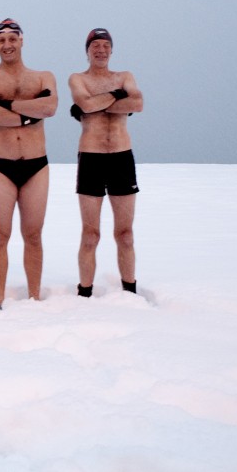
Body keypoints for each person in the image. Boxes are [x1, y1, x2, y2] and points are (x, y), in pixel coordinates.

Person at [0, 19, 58, 309]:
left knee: (33, 234)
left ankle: (34, 297)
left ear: (22, 40)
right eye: (1, 40)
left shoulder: (43, 76)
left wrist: (6, 105)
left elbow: (50, 107)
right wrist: (28, 114)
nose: (7, 45)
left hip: (36, 165)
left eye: (12, 39)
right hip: (0, 165)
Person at [68, 28, 144, 296]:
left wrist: (95, 103)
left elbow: (138, 103)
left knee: (125, 233)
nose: (100, 50)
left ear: (112, 50)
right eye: (95, 46)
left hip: (122, 157)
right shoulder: (78, 78)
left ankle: (130, 290)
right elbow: (84, 105)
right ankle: (84, 292)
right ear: (87, 51)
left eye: (105, 45)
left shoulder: (125, 76)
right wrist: (117, 97)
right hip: (91, 158)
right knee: (91, 234)